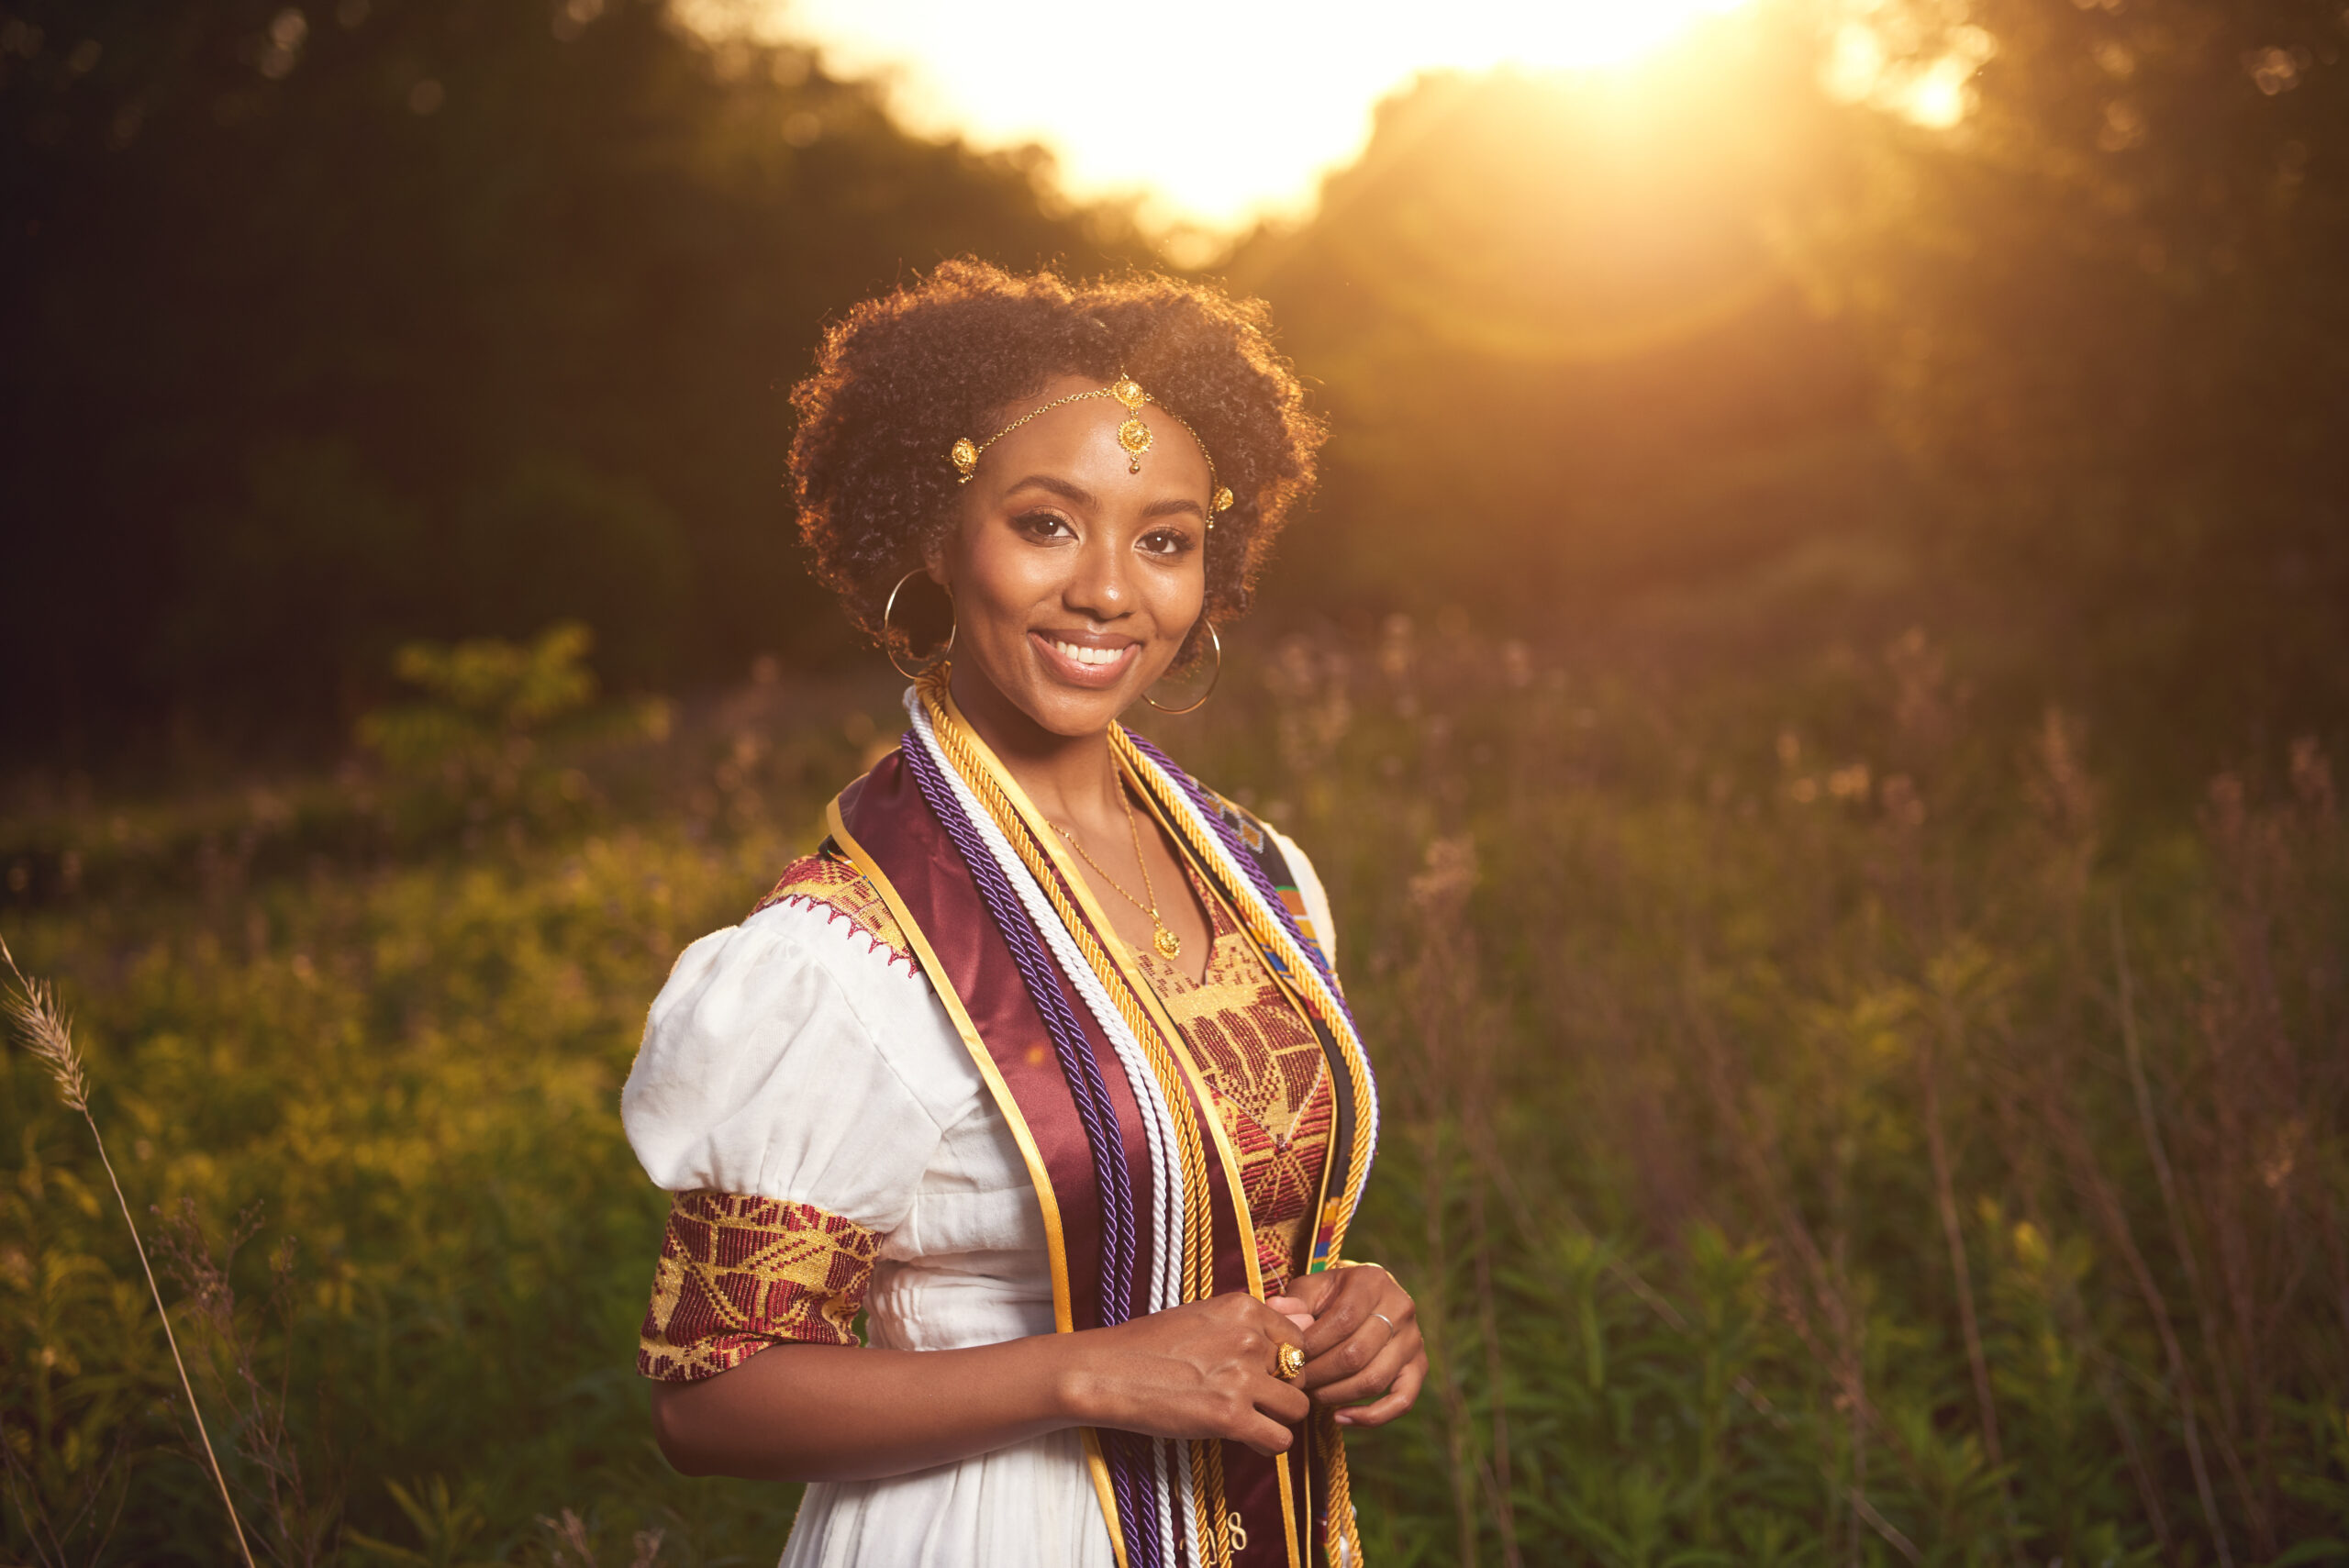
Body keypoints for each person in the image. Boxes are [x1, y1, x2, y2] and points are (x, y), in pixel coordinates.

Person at [620, 261, 1423, 1568]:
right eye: (1047, 523)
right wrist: (1084, 1374)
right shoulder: (839, 957)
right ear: (937, 537)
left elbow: (1209, 1212)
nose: (1110, 589)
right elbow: (707, 1394)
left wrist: (1349, 1307)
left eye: (1164, 540)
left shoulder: (1264, 874)